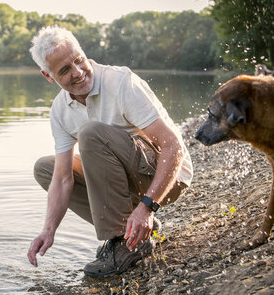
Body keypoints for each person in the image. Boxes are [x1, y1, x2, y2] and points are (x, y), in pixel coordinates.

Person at [26, 26, 193, 277]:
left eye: (79, 60)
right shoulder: (60, 110)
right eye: (65, 70)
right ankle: (127, 234)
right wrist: (48, 230)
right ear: (48, 77)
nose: (79, 72)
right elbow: (62, 178)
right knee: (46, 169)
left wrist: (147, 206)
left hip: (168, 176)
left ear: (83, 52)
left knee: (91, 134)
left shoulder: (121, 82)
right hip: (127, 175)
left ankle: (126, 244)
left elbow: (173, 146)